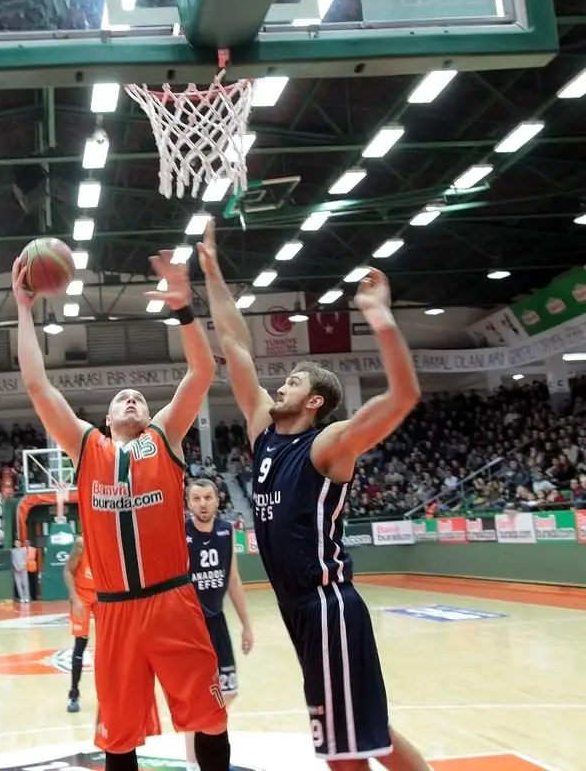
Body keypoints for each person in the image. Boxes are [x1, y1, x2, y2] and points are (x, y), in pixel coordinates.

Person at [199, 220, 430, 771]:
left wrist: (381, 320)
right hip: (298, 610)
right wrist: (212, 271)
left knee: (344, 751)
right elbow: (233, 343)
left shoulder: (327, 445)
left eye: (295, 383)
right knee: (368, 738)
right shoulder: (263, 435)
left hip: (327, 605)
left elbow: (403, 395)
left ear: (316, 403)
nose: (281, 385)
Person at [13, 250, 231, 771]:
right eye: (122, 398)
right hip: (113, 612)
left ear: (150, 414)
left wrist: (184, 310)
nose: (131, 399)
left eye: (138, 397)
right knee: (118, 738)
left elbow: (202, 371)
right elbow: (38, 385)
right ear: (107, 417)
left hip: (173, 601)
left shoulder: (165, 439)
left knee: (210, 718)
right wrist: (24, 310)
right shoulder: (87, 449)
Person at [183, 478, 254, 771]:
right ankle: (192, 763)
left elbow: (233, 580)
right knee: (194, 700)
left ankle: (207, 745)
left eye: (208, 498)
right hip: (190, 627)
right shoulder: (180, 533)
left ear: (217, 500)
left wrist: (246, 625)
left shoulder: (226, 530)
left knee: (229, 691)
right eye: (197, 498)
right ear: (188, 503)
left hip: (218, 620)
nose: (203, 503)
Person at [63, 535, 95, 713]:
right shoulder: (81, 543)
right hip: (82, 594)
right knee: (80, 645)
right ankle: (73, 694)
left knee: (112, 644)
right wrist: (74, 597)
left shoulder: (111, 540)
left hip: (103, 595)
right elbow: (67, 570)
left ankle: (113, 694)